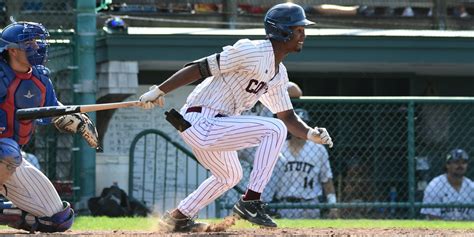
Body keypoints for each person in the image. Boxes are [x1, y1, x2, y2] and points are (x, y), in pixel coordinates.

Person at [138, 2, 333, 231]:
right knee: (274, 129)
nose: (303, 35)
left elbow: (288, 116)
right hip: (201, 120)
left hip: (218, 125)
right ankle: (251, 201)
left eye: (303, 29)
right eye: (298, 29)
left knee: (230, 175)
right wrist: (160, 90)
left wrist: (310, 133)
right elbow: (200, 67)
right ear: (281, 31)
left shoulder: (279, 74)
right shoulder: (252, 51)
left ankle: (177, 218)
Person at [0, 21, 99, 232]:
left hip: (12, 158)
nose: (37, 46)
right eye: (29, 42)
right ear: (13, 50)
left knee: (58, 219)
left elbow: (52, 110)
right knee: (6, 150)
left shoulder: (40, 77)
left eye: (38, 41)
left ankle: (6, 213)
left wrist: (72, 117)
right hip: (5, 152)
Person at [264, 108, 338, 219]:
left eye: (304, 124)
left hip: (311, 205)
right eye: (296, 125)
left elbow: (326, 180)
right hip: (284, 205)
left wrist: (333, 206)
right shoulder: (279, 147)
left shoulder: (318, 149)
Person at [420, 149, 474, 220]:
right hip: (441, 229)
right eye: (456, 162)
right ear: (447, 165)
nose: (460, 165)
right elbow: (433, 217)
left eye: (464, 163)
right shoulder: (435, 186)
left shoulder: (471, 187)